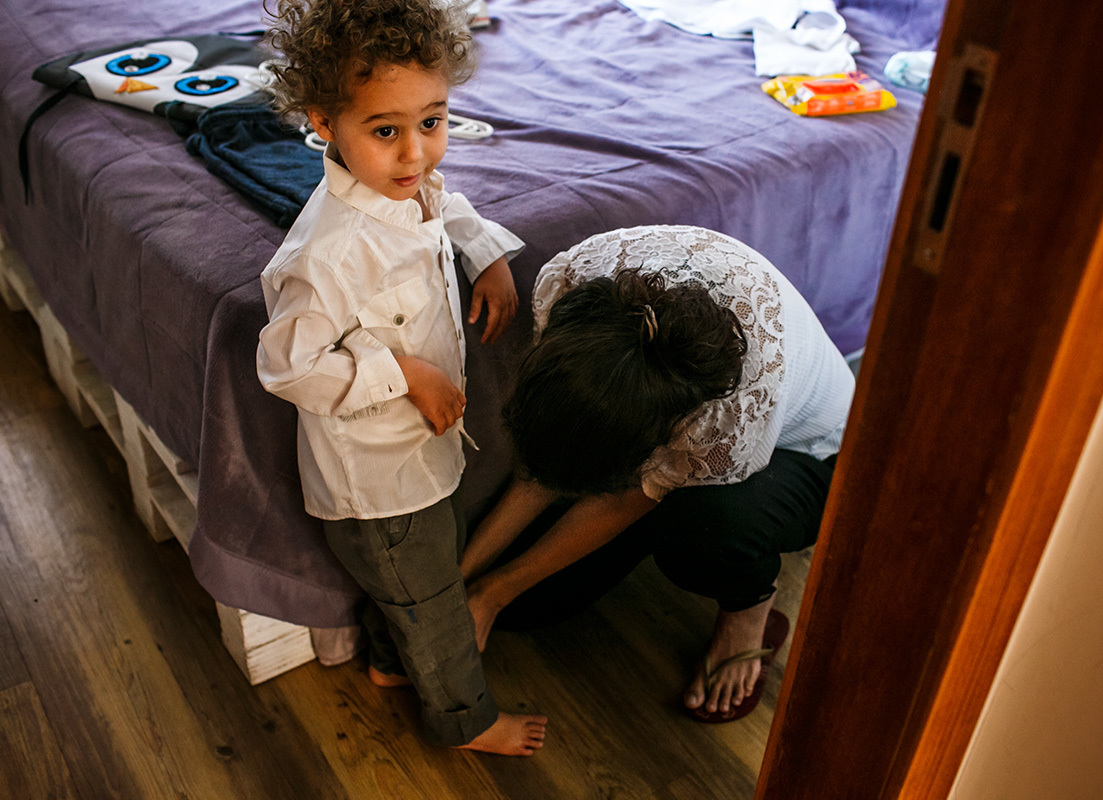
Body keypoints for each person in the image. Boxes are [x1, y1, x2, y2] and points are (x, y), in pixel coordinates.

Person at [255, 0, 547, 755]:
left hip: (420, 461)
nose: (416, 153)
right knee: (436, 601)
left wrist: (484, 252)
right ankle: (466, 721)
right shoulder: (325, 255)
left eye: (434, 122)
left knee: (414, 588)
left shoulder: (405, 188)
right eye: (385, 131)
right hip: (378, 484)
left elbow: (443, 205)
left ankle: (391, 667)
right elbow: (287, 367)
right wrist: (403, 372)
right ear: (324, 123)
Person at [460, 225, 855, 722]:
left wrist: (491, 595)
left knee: (702, 528)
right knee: (527, 611)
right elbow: (549, 455)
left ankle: (749, 608)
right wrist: (461, 582)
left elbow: (630, 496)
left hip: (820, 455)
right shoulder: (573, 287)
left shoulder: (729, 412)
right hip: (666, 413)